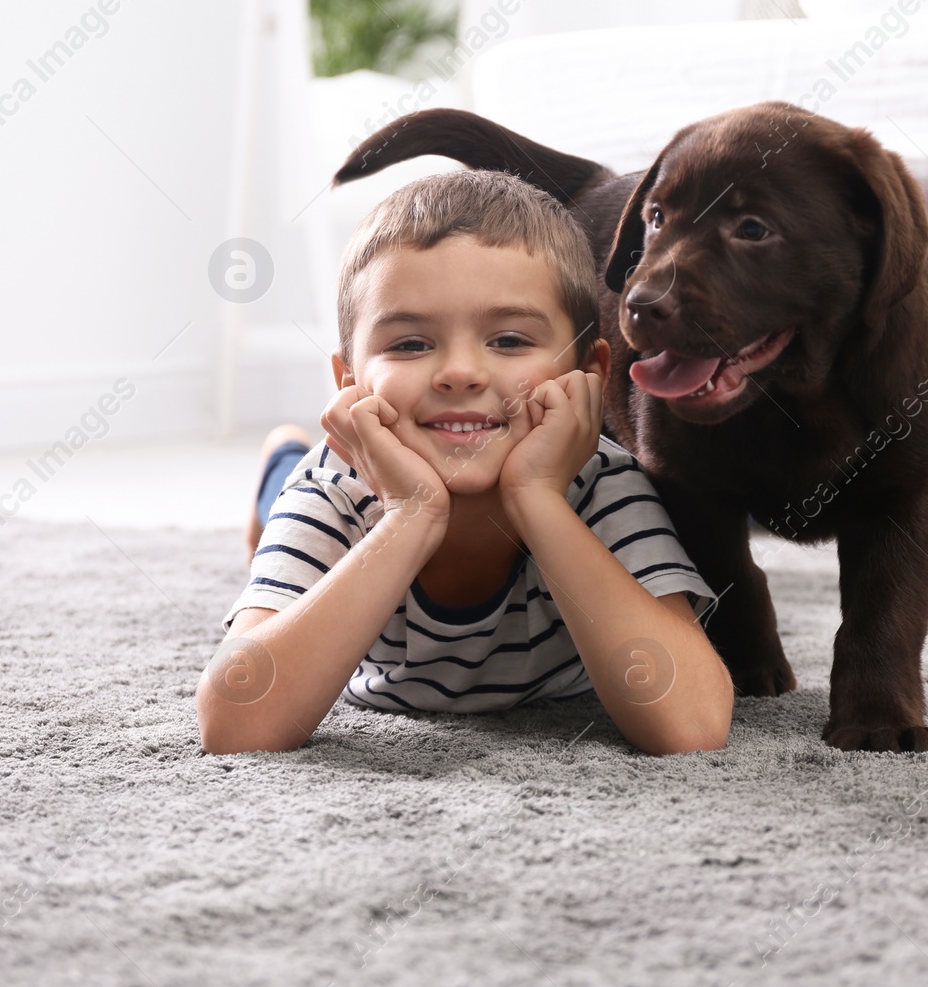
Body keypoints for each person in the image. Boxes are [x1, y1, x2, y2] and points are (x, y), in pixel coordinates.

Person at [199, 169, 734, 756]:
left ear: (589, 375)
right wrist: (411, 517)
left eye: (508, 341)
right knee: (286, 484)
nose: (460, 373)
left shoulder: (604, 487)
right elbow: (236, 726)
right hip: (338, 486)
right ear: (349, 382)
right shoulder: (332, 488)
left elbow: (694, 726)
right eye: (409, 343)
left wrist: (538, 500)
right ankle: (281, 455)